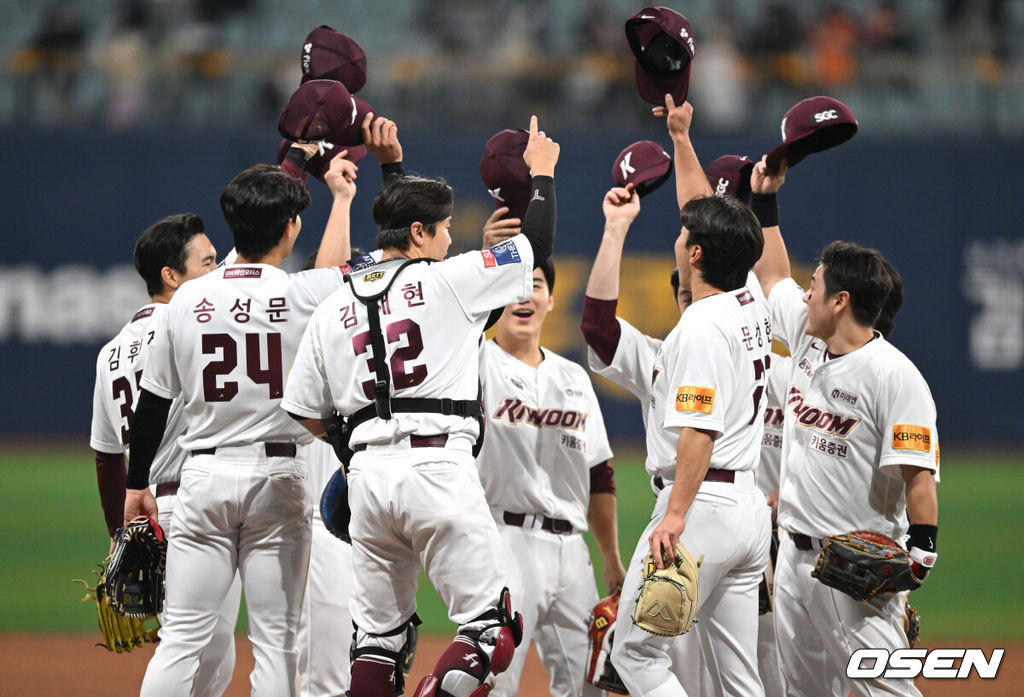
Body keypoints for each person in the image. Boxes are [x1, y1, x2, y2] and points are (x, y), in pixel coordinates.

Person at [281, 115, 560, 697]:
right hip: (438, 470)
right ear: (416, 232)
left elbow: (303, 408)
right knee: (490, 632)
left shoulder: (335, 302)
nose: (450, 239)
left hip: (368, 484)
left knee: (378, 645)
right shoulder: (448, 283)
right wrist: (543, 177)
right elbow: (533, 249)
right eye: (443, 229)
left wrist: (352, 452)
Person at [122, 151, 359, 697]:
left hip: (202, 478)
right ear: (291, 227)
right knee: (277, 642)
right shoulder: (306, 292)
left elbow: (153, 402)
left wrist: (138, 484)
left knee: (181, 638)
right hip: (279, 480)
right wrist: (351, 194)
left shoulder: (186, 300)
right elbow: (371, 268)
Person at [750, 155, 938, 697]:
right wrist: (766, 202)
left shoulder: (895, 377)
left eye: (816, 285)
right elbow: (772, 275)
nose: (804, 294)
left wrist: (921, 556)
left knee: (887, 692)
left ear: (841, 300)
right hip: (791, 564)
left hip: (858, 572)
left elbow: (918, 473)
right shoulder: (811, 339)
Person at [608, 96, 772, 697]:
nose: (680, 234)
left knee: (635, 657)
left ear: (697, 254)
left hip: (701, 509)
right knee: (738, 675)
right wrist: (680, 139)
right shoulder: (747, 293)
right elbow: (704, 214)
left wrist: (675, 515)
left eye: (686, 234)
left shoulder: (702, 326)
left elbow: (697, 431)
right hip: (747, 512)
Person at [90, 213, 241, 697]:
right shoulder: (189, 324)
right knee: (199, 650)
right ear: (170, 276)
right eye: (208, 262)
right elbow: (253, 250)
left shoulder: (110, 351)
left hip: (150, 512)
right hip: (196, 502)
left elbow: (107, 456)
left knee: (205, 649)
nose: (218, 271)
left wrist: (121, 534)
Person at [476, 257, 626, 697]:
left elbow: (600, 473)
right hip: (503, 539)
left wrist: (611, 558)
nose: (525, 295)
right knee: (495, 679)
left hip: (571, 552)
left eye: (536, 285)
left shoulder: (573, 376)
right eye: (515, 286)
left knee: (589, 683)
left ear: (551, 298)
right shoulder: (476, 362)